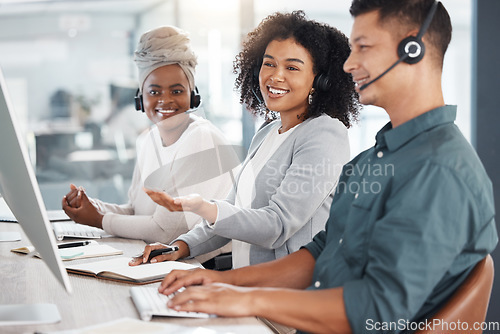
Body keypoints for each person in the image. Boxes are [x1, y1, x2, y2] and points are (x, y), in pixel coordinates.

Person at [144, 1, 498, 333]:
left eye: (363, 47)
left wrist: (245, 298)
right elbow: (322, 251)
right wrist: (222, 282)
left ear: (412, 51)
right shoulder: (377, 157)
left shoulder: (436, 171)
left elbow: (379, 310)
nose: (347, 64)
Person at [130, 11, 359, 268]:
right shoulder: (268, 132)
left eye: (292, 67)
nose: (275, 76)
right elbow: (232, 213)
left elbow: (277, 224)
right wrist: (180, 246)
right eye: (269, 63)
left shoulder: (325, 134)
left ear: (320, 80)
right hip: (248, 289)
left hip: (289, 295)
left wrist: (205, 208)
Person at [62, 26, 238, 263]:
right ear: (140, 98)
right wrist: (92, 206)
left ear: (193, 96)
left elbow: (166, 232)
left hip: (204, 268)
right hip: (164, 262)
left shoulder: (201, 138)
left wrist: (98, 219)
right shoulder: (147, 140)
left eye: (177, 91)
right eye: (154, 91)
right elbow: (136, 212)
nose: (165, 100)